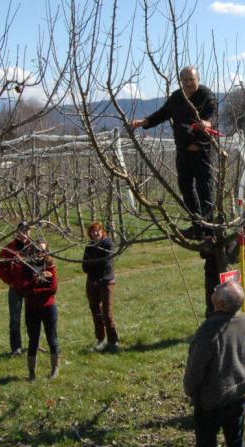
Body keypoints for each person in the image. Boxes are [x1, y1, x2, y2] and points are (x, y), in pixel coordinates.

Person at [182, 281, 245, 447]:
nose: (213, 289)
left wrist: (190, 389)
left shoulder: (209, 329)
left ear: (221, 303)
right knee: (236, 444)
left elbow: (195, 369)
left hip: (211, 401)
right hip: (237, 395)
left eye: (217, 289)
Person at [128, 66, 218, 239]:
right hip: (183, 152)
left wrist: (206, 124)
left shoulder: (207, 96)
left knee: (205, 190)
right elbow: (163, 113)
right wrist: (142, 123)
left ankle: (209, 231)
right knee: (186, 189)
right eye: (184, 80)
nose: (188, 83)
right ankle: (197, 226)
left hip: (201, 153)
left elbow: (212, 117)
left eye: (191, 79)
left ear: (198, 79)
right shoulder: (177, 97)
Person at [20, 240, 60, 381]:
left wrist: (34, 290)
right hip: (32, 308)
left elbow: (53, 289)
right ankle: (32, 372)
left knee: (52, 338)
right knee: (33, 340)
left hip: (48, 307)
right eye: (37, 250)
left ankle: (55, 369)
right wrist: (37, 280)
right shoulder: (26, 267)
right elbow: (24, 287)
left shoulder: (50, 266)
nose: (39, 253)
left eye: (42, 250)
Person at [0, 222, 35, 355]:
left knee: (33, 318)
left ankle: (33, 345)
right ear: (17, 232)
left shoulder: (34, 247)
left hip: (31, 288)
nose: (24, 233)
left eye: (27, 230)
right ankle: (16, 347)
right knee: (15, 319)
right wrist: (9, 281)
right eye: (22, 230)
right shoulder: (9, 249)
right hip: (15, 288)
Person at [82, 221, 120, 352]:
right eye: (93, 231)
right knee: (96, 313)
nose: (95, 233)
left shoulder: (107, 244)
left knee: (107, 313)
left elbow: (106, 265)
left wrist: (92, 263)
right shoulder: (89, 246)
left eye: (97, 230)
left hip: (106, 282)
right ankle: (100, 339)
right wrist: (92, 264)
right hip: (91, 282)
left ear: (102, 231)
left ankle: (113, 341)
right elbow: (84, 267)